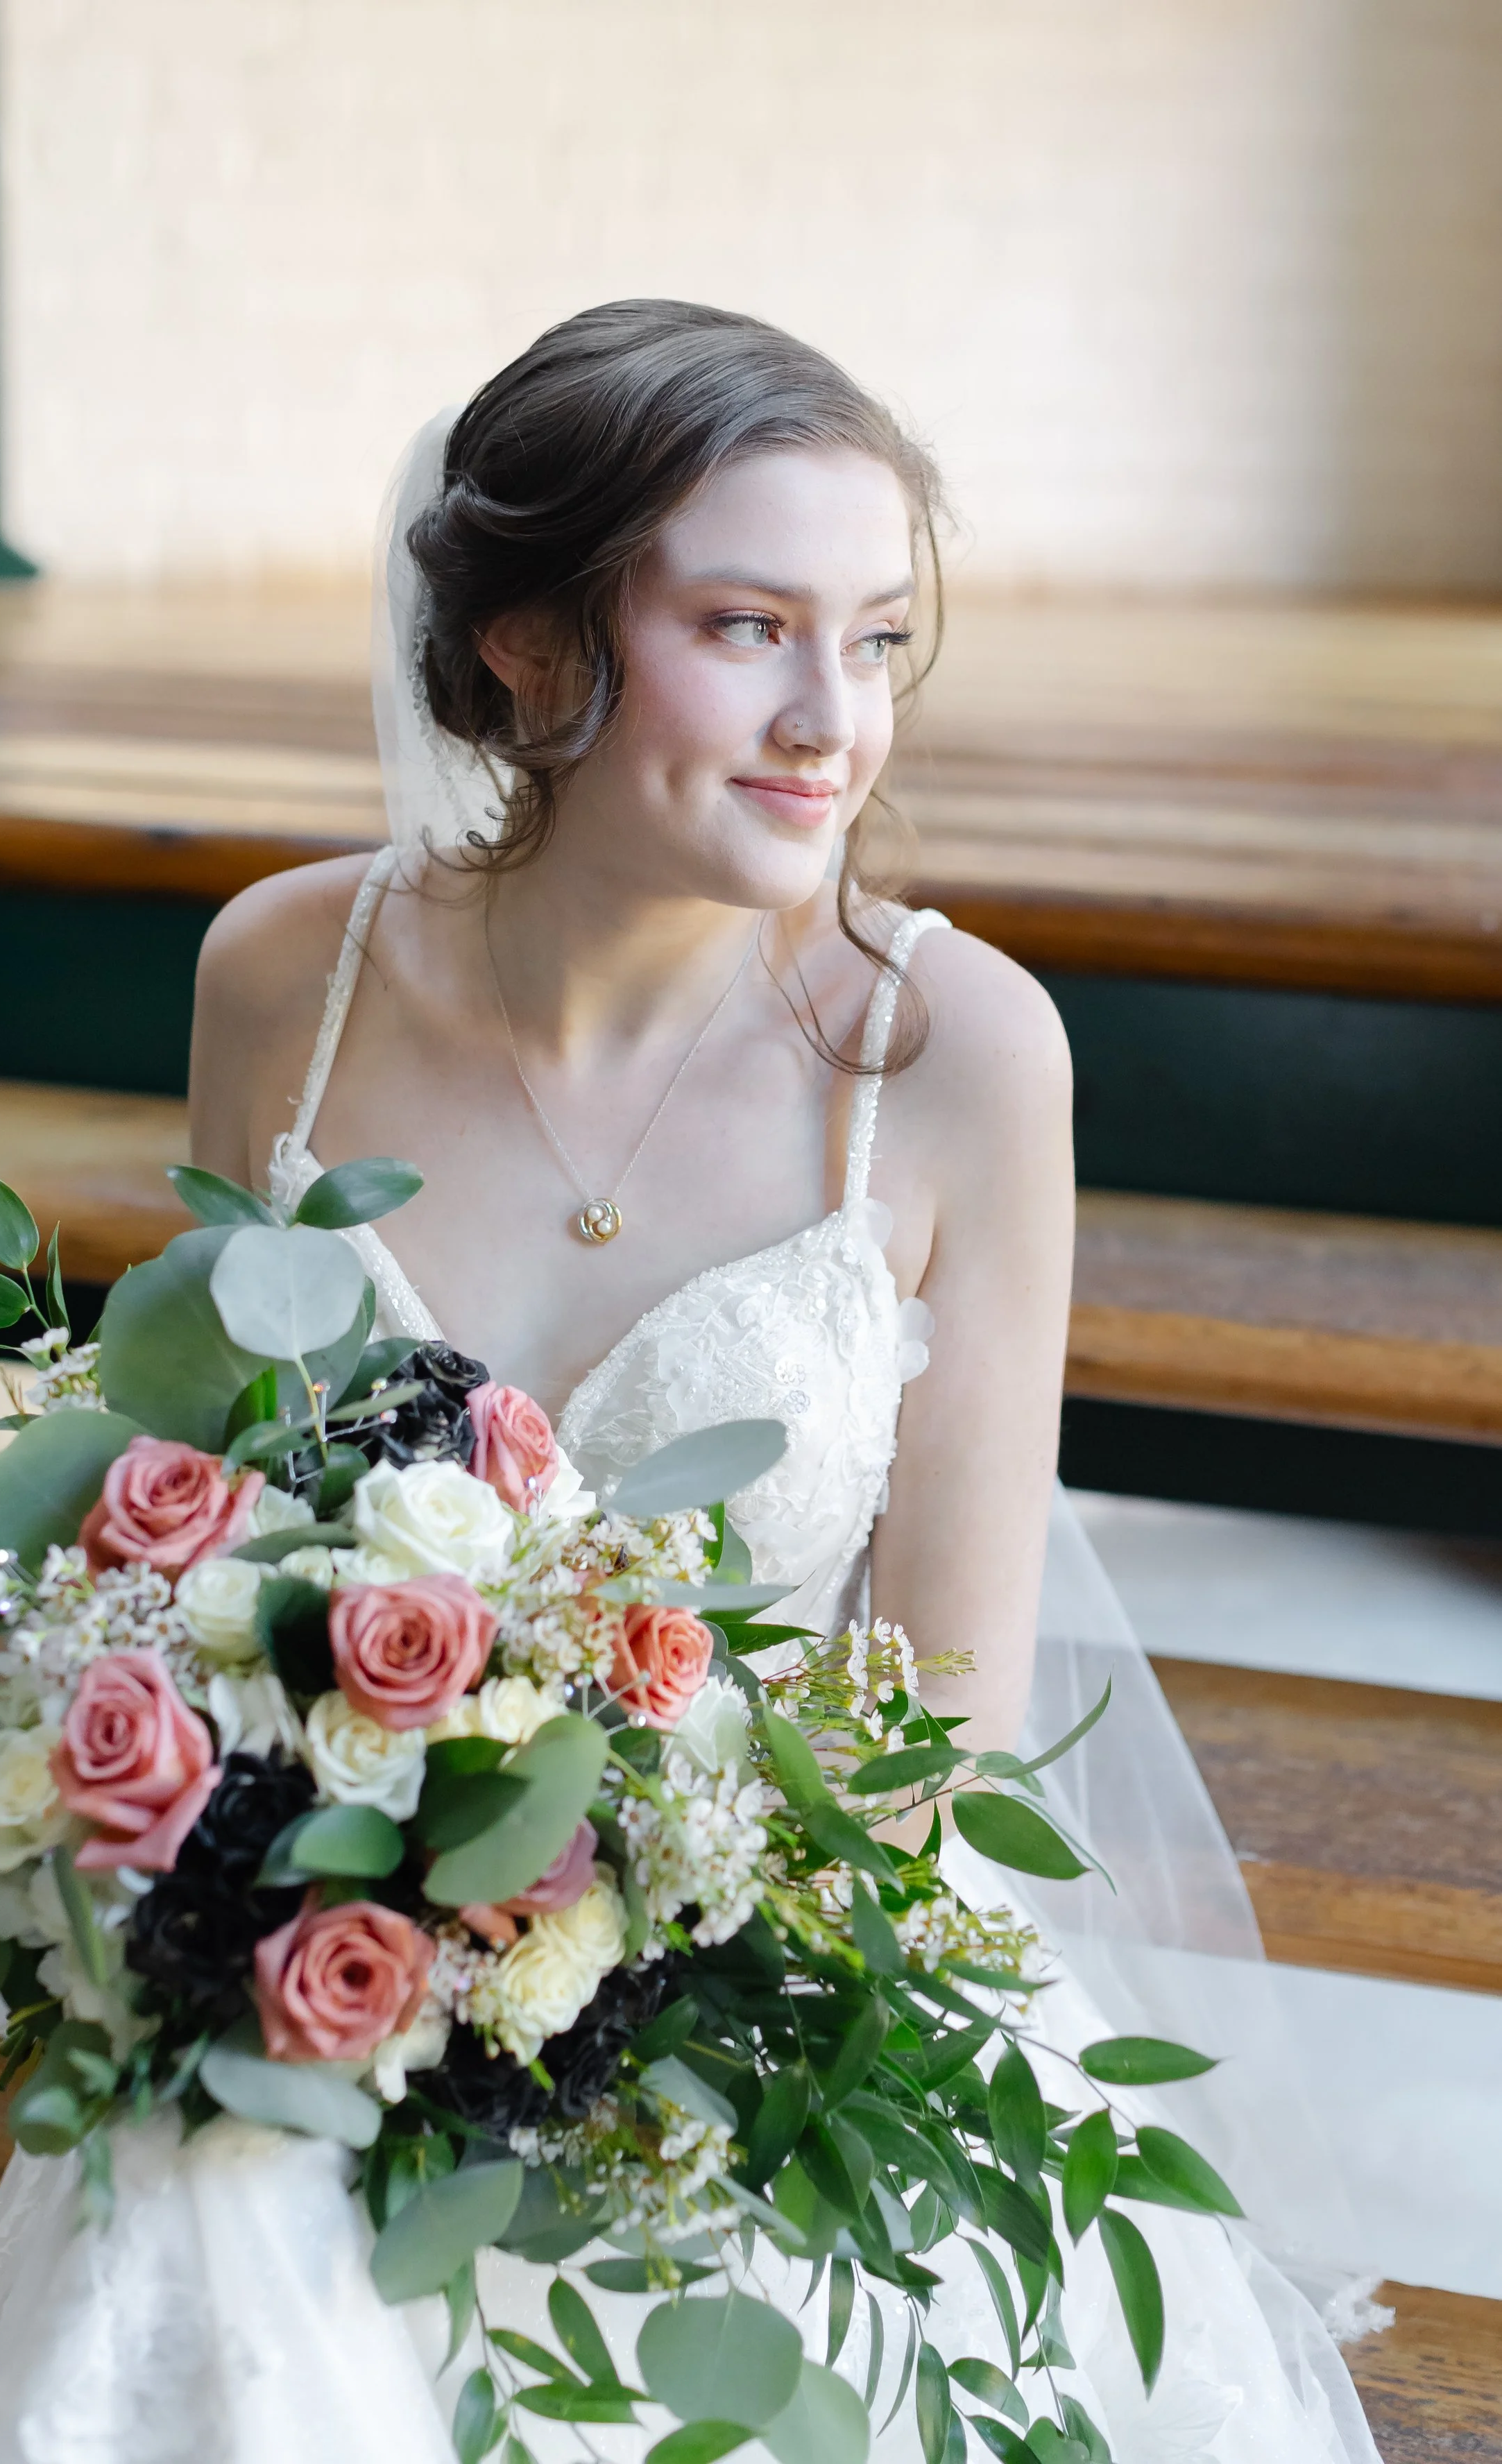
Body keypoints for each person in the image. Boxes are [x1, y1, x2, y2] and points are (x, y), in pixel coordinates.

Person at [189, 301, 1381, 2460]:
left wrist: (598, 1984)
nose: (834, 723)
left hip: (788, 1987)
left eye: (878, 638)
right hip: (324, 1964)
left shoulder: (953, 1057)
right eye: (747, 629)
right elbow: (206, 1543)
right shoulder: (283, 978)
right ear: (525, 646)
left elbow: (940, 1726)